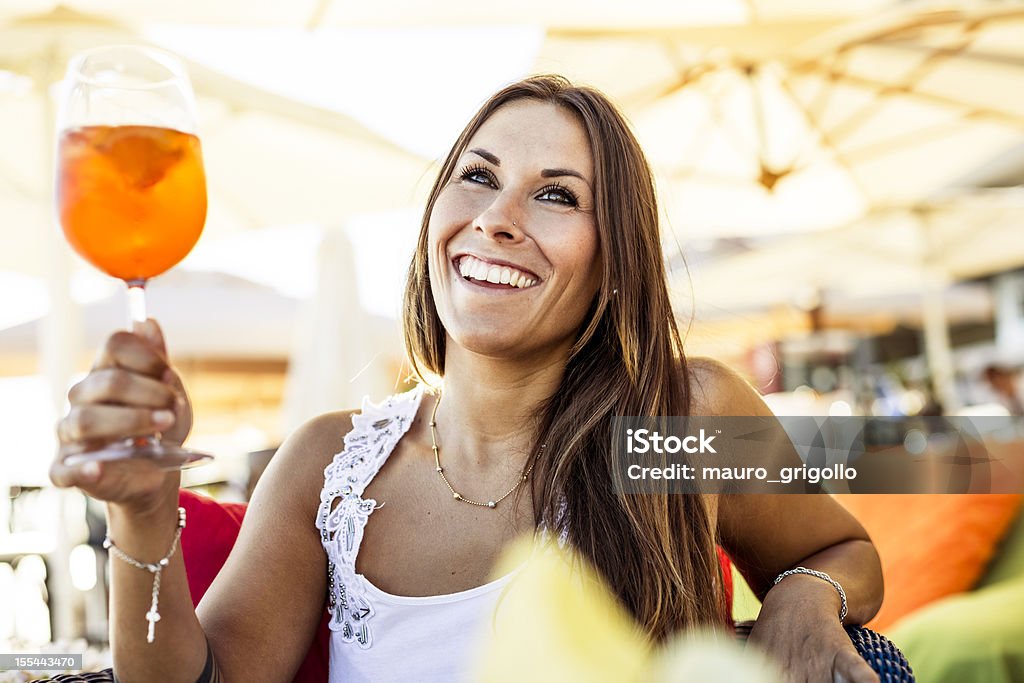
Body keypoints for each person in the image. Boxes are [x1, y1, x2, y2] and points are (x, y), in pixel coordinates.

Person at [50, 75, 883, 683]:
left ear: (616, 263)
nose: (496, 219)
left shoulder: (681, 414)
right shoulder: (327, 465)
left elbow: (842, 548)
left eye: (556, 195)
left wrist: (804, 596)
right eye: (477, 176)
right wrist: (142, 511)